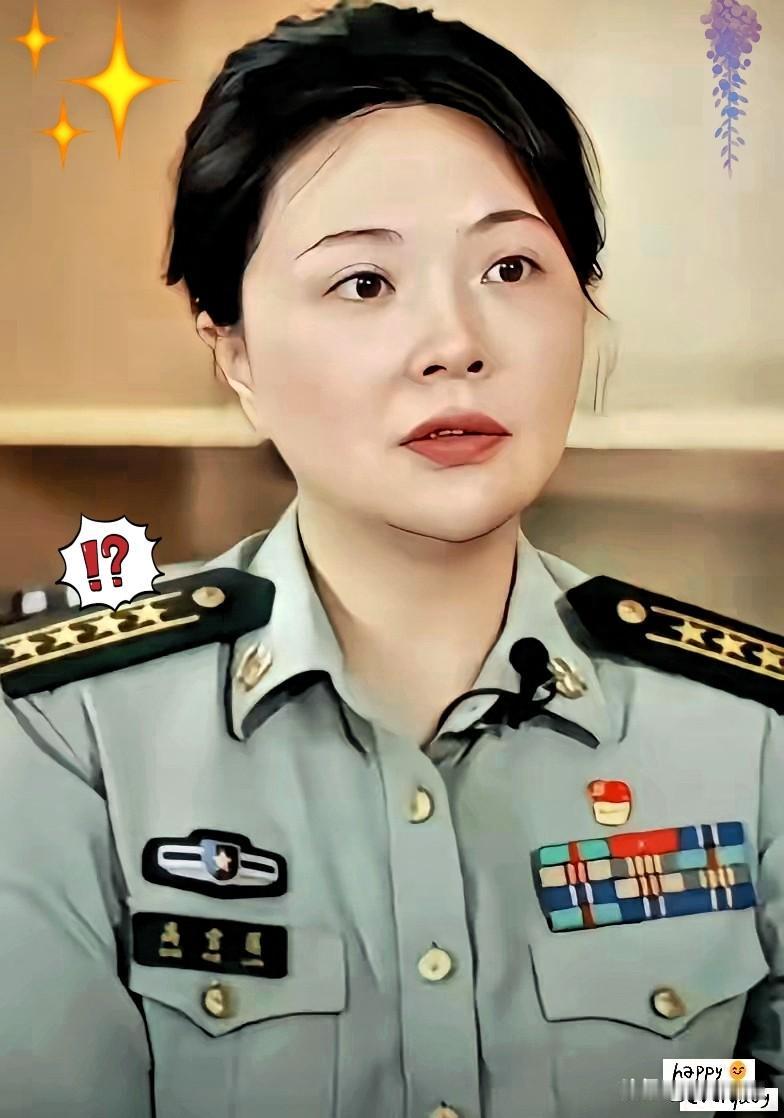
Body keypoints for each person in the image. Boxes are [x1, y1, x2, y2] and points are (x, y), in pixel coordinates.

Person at [1, 2, 781, 1116]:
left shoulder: (750, 733)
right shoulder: (62, 732)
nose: (456, 342)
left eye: (511, 267)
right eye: (364, 283)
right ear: (234, 353)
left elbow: (747, 1089)